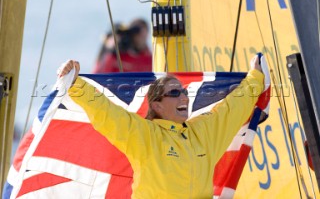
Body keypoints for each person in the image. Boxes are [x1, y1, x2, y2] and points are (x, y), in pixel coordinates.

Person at [58, 56, 264, 198]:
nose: (183, 96)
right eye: (175, 93)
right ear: (156, 105)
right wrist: (76, 84)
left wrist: (256, 77)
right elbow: (107, 113)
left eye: (183, 92)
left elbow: (232, 109)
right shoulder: (145, 136)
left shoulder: (203, 132)